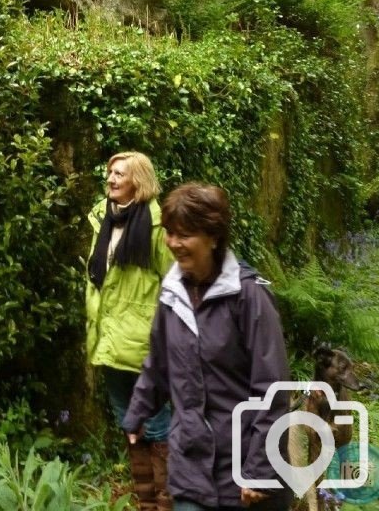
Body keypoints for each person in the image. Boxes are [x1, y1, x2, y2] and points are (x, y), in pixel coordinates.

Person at [123, 183, 292, 511]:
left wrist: (258, 471)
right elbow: (158, 363)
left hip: (243, 470)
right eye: (170, 233)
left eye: (184, 235)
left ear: (213, 237)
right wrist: (137, 415)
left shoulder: (249, 297)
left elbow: (273, 390)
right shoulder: (172, 294)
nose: (173, 243)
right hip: (190, 465)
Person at [86, 151, 174, 511]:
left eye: (119, 174)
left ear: (138, 181)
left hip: (143, 345)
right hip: (108, 340)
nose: (110, 179)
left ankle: (169, 500)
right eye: (109, 172)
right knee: (129, 421)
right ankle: (146, 502)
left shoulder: (158, 225)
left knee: (155, 424)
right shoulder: (102, 218)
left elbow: (175, 282)